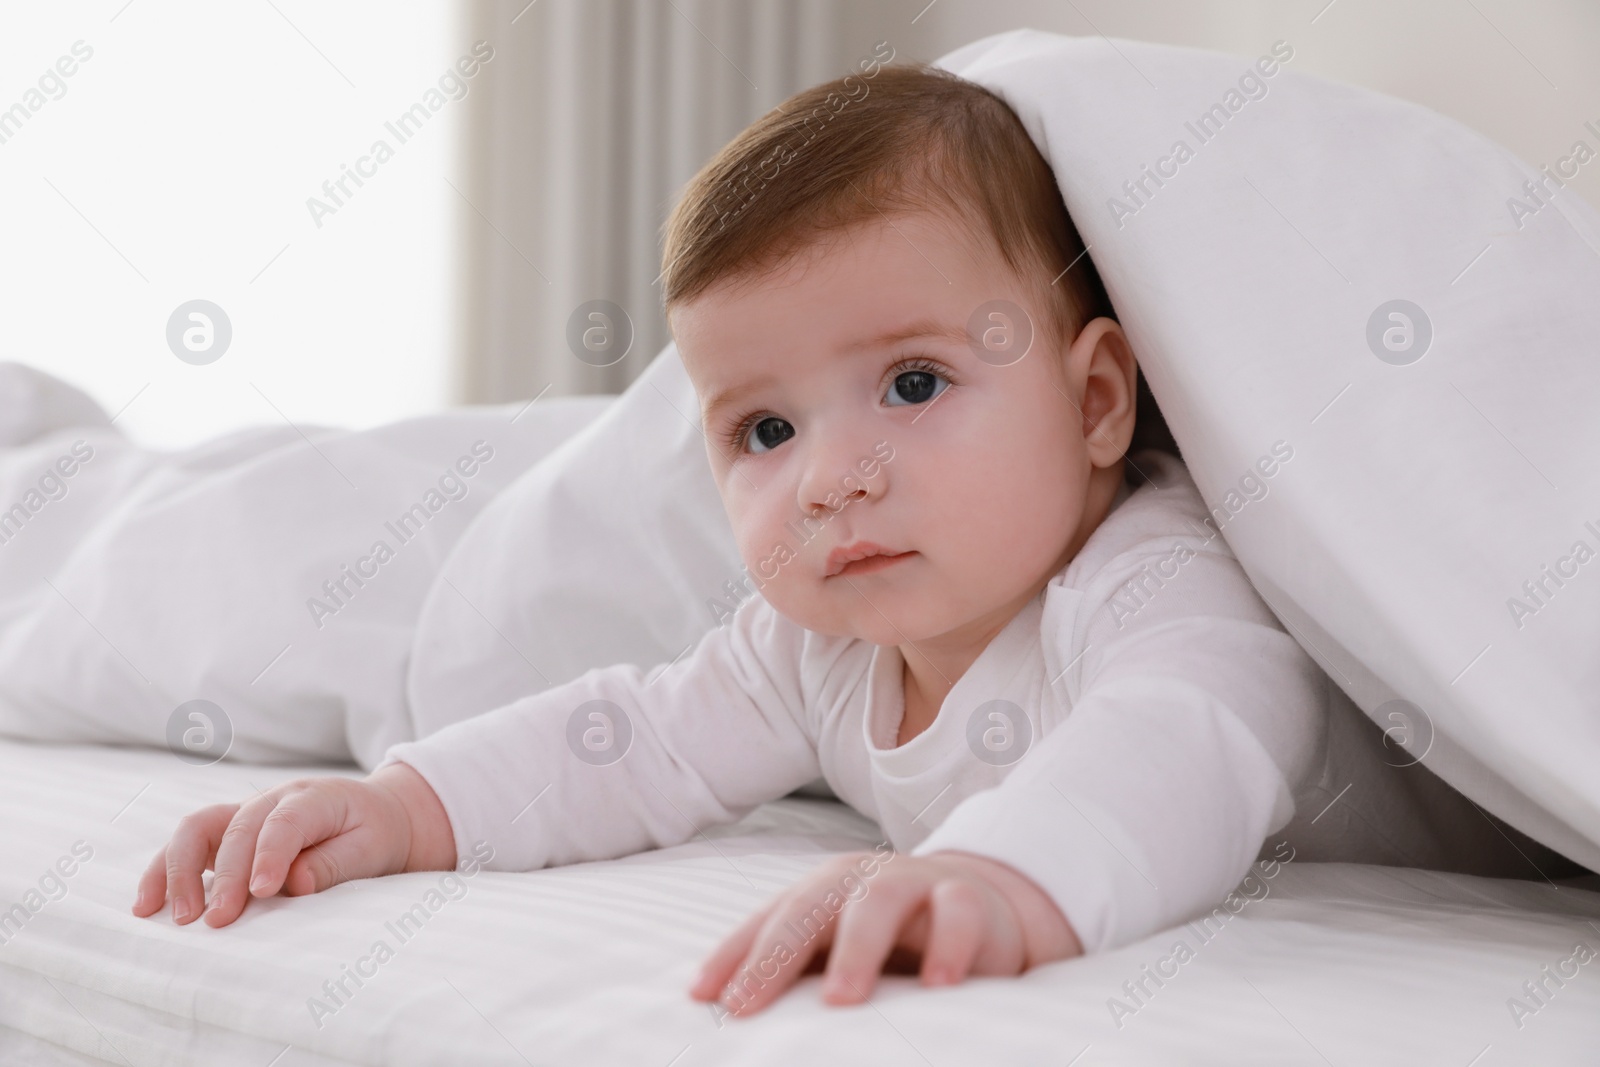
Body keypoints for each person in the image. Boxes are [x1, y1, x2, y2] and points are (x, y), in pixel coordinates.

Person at [131, 61, 1568, 1019]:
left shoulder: (1148, 575)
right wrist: (405, 809)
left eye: (916, 384)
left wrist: (1010, 873)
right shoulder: (817, 645)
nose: (830, 482)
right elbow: (631, 739)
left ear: (1096, 401)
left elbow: (1191, 729)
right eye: (764, 431)